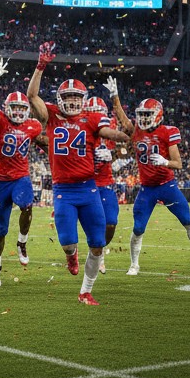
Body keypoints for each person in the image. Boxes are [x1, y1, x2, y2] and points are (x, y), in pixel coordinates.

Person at [27, 42, 131, 305]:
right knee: (68, 241)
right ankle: (71, 255)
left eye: (76, 97)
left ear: (83, 101)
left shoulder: (91, 119)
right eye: (69, 97)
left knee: (98, 244)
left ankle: (86, 291)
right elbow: (32, 96)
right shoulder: (51, 115)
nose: (72, 101)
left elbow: (107, 132)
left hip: (89, 189)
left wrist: (123, 136)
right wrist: (41, 65)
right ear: (61, 99)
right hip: (64, 190)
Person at [103, 81, 190, 277]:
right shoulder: (136, 131)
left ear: (158, 115)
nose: (144, 119)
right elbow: (122, 119)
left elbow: (178, 163)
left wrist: (164, 162)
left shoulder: (167, 132)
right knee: (138, 228)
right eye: (142, 115)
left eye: (147, 115)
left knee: (188, 221)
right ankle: (134, 264)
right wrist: (115, 96)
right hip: (147, 188)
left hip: (167, 185)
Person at [0, 56, 43, 287]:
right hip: (0, 182)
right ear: (7, 108)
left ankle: (22, 242)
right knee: (0, 230)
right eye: (15, 108)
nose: (18, 112)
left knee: (27, 205)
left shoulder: (33, 126)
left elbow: (44, 141)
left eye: (22, 108)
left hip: (21, 177)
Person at [85, 95, 123, 274]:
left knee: (110, 222)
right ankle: (96, 254)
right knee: (90, 223)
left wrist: (114, 157)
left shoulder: (111, 129)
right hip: (85, 184)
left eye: (98, 113)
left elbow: (127, 147)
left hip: (106, 183)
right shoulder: (81, 129)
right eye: (92, 113)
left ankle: (98, 253)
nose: (95, 117)